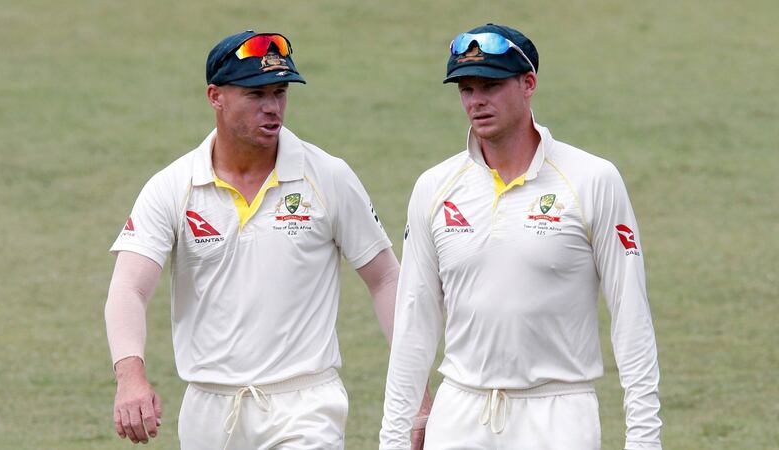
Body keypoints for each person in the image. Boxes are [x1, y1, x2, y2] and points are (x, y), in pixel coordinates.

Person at [105, 29, 429, 449]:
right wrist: (131, 377)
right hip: (209, 409)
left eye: (279, 92)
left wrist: (418, 393)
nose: (273, 107)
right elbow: (129, 287)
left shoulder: (328, 176)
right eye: (256, 95)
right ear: (215, 96)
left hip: (305, 406)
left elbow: (385, 278)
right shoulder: (172, 186)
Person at [380, 24, 662, 450]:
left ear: (528, 83)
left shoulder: (592, 180)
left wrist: (645, 441)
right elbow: (414, 325)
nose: (476, 101)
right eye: (466, 88)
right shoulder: (434, 186)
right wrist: (395, 438)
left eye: (490, 86)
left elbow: (631, 318)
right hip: (459, 415)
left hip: (558, 415)